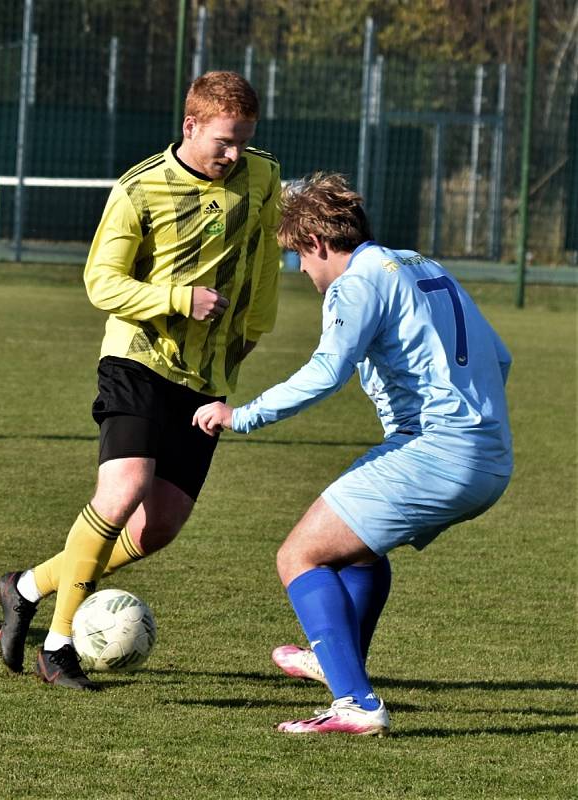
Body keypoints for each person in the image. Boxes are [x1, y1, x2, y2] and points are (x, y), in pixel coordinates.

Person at [193, 172, 513, 736]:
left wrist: (240, 414)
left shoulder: (357, 281)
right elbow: (501, 357)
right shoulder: (420, 264)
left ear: (316, 243)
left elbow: (326, 372)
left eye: (298, 256)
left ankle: (356, 704)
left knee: (299, 556)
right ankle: (337, 661)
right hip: (488, 453)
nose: (301, 271)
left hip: (435, 450)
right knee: (358, 552)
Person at [0, 71, 281, 690]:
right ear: (191, 125)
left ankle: (23, 588)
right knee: (124, 489)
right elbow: (101, 282)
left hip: (206, 374)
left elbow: (262, 259)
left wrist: (253, 332)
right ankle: (60, 644)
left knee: (159, 526)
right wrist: (179, 298)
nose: (234, 156)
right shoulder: (140, 190)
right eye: (223, 142)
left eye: (244, 142)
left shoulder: (263, 176)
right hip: (137, 358)